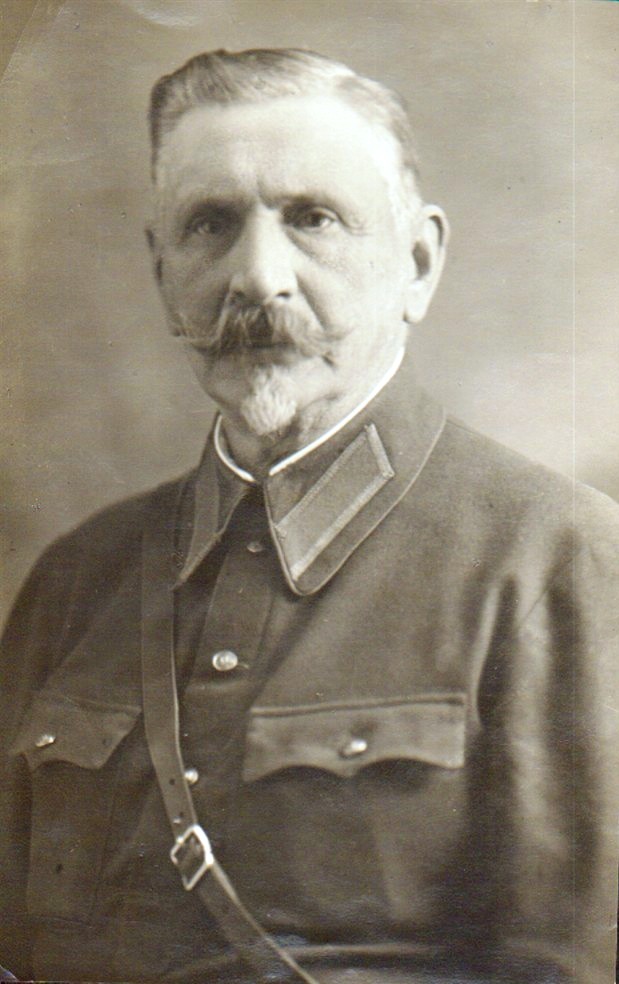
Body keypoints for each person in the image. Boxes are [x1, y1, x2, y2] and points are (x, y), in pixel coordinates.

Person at [0, 48, 617, 984]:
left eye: (313, 219)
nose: (257, 278)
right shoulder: (75, 581)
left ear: (416, 264)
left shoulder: (555, 562)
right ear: (162, 272)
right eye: (210, 225)